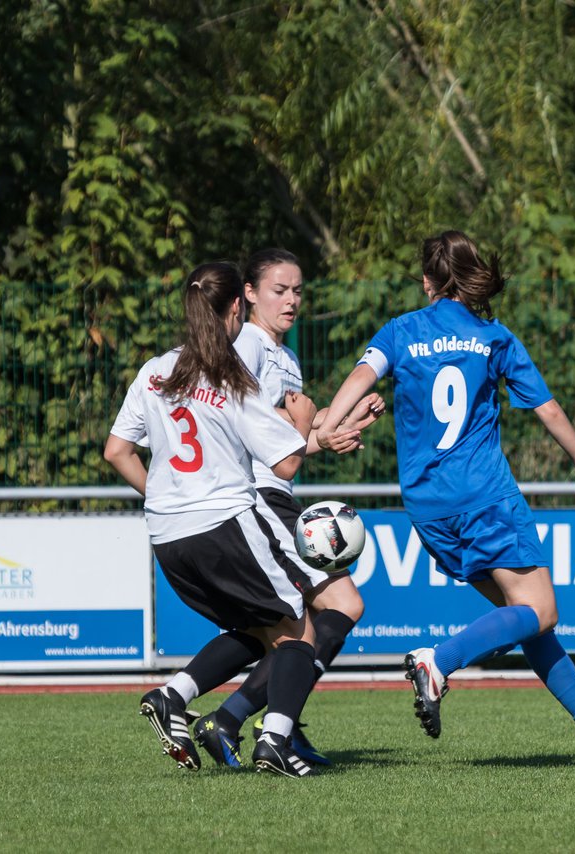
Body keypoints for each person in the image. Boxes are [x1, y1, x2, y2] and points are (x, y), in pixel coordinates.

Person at [316, 230, 575, 764]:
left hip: (429, 509)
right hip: (485, 497)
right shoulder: (492, 336)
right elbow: (546, 408)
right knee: (541, 610)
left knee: (525, 616)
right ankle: (439, 660)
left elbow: (361, 376)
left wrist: (327, 430)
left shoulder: (399, 331)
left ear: (428, 281)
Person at [104, 261, 360, 778]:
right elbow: (285, 463)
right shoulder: (229, 375)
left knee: (253, 628)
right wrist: (306, 421)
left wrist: (165, 495)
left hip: (167, 536)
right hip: (223, 522)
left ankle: (172, 697)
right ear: (236, 308)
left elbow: (116, 451)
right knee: (297, 631)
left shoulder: (154, 370)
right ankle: (275, 743)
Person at [191, 248, 384, 768]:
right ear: (248, 294)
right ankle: (251, 722)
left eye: (298, 290)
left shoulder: (286, 356)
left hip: (280, 496)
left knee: (310, 621)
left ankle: (249, 721)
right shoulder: (247, 346)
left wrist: (344, 426)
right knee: (339, 608)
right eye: (280, 290)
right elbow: (241, 425)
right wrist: (311, 429)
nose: (292, 300)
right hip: (258, 497)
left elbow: (296, 438)